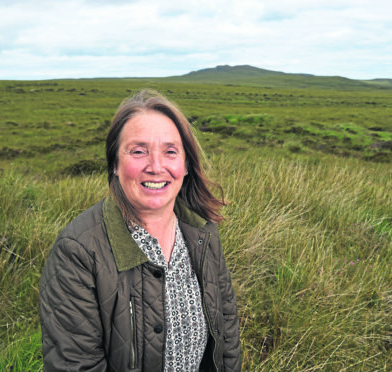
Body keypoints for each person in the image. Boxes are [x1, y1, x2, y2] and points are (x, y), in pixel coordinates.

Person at [39, 89, 241, 371]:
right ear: (115, 165)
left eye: (170, 152)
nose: (156, 167)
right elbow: (75, 365)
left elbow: (226, 332)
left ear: (185, 165)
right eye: (138, 151)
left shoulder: (203, 233)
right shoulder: (77, 252)